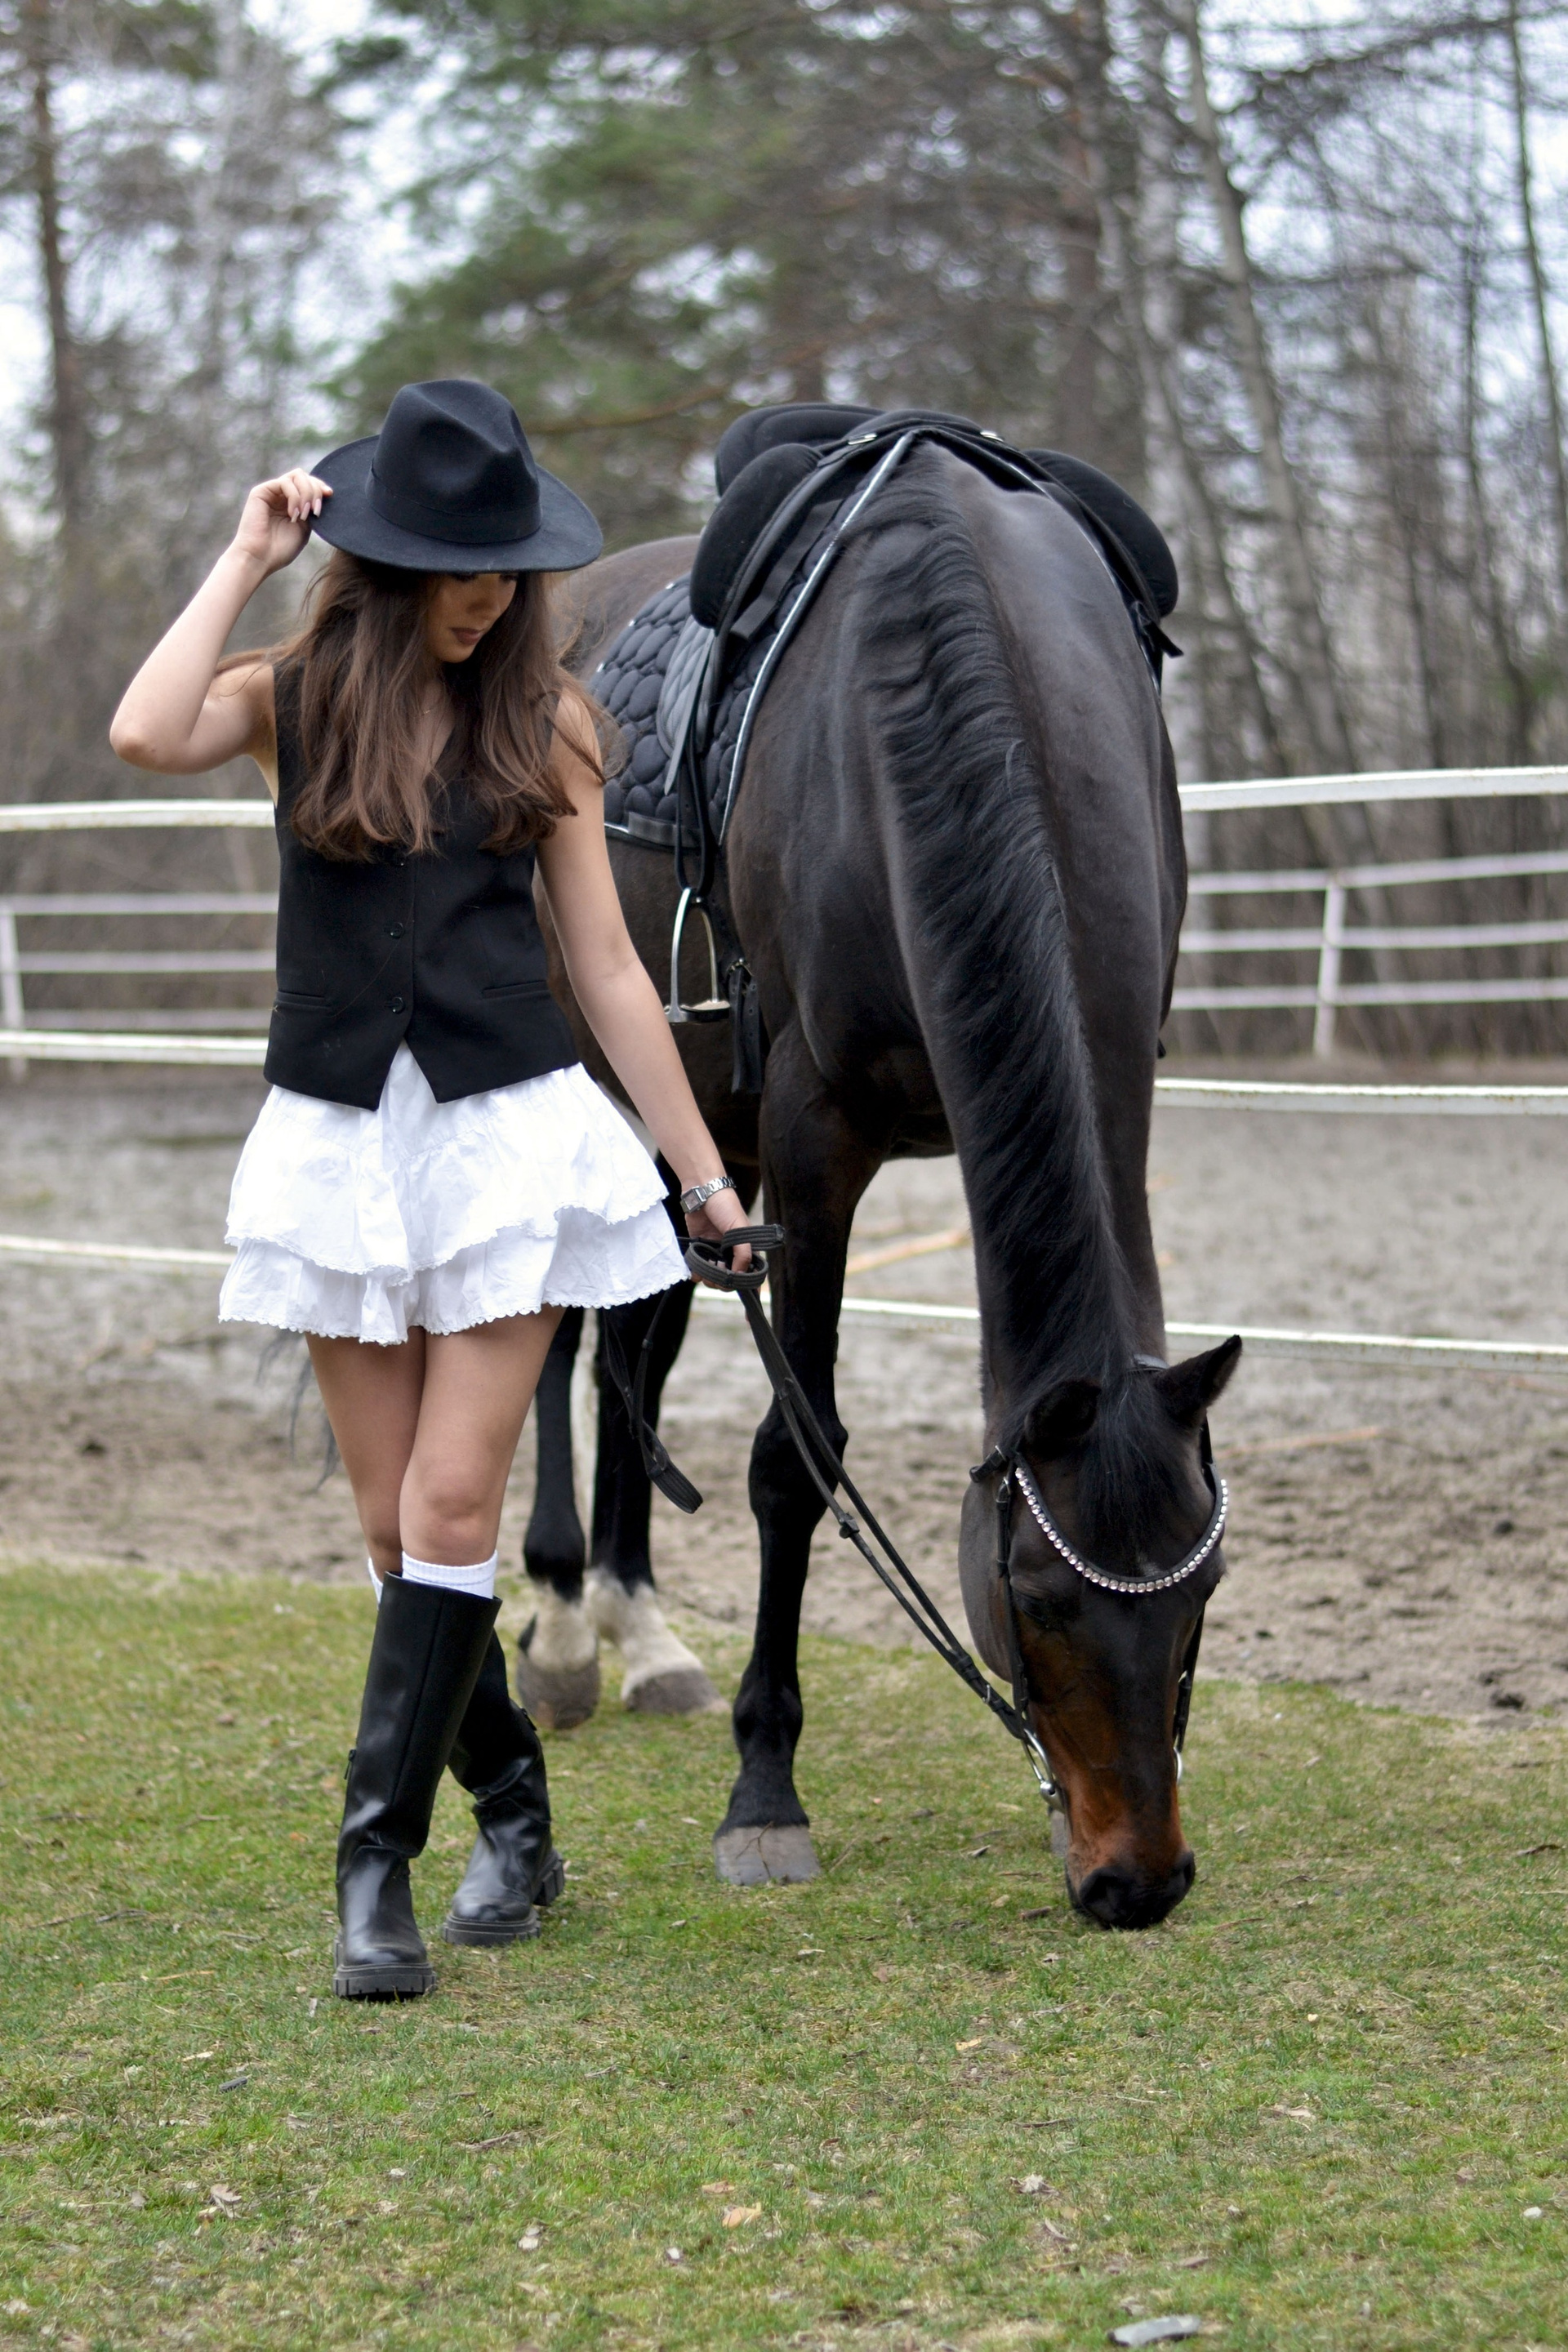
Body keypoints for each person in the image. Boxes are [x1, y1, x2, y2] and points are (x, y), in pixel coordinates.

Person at [110, 378, 750, 2000]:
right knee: (401, 1538)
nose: (487, 599)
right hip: (339, 1144)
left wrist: (704, 1178)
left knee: (455, 1513)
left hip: (509, 1141)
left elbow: (608, 968)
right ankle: (518, 1818)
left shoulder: (552, 725)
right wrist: (245, 557)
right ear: (389, 564)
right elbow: (142, 731)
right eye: (458, 571)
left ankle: (373, 1872)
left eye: (506, 571)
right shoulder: (292, 699)